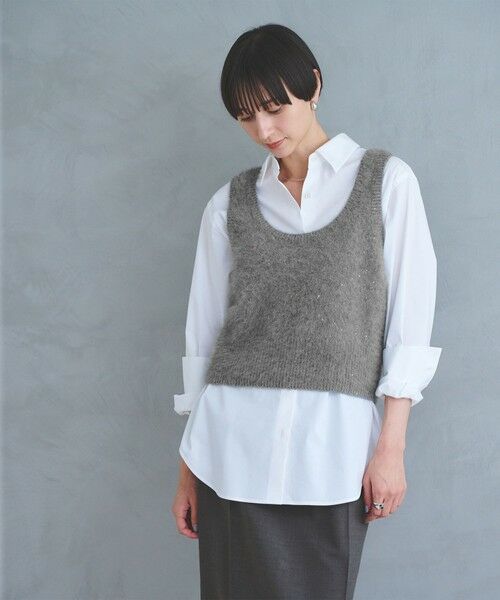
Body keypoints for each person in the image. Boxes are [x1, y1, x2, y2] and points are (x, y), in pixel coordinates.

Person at [171, 23, 442, 600]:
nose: (264, 131)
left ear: (313, 85)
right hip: (227, 454)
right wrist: (189, 470)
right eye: (246, 117)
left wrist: (391, 448)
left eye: (276, 108)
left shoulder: (387, 183)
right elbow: (204, 339)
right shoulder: (228, 205)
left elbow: (409, 328)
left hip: (331, 457)